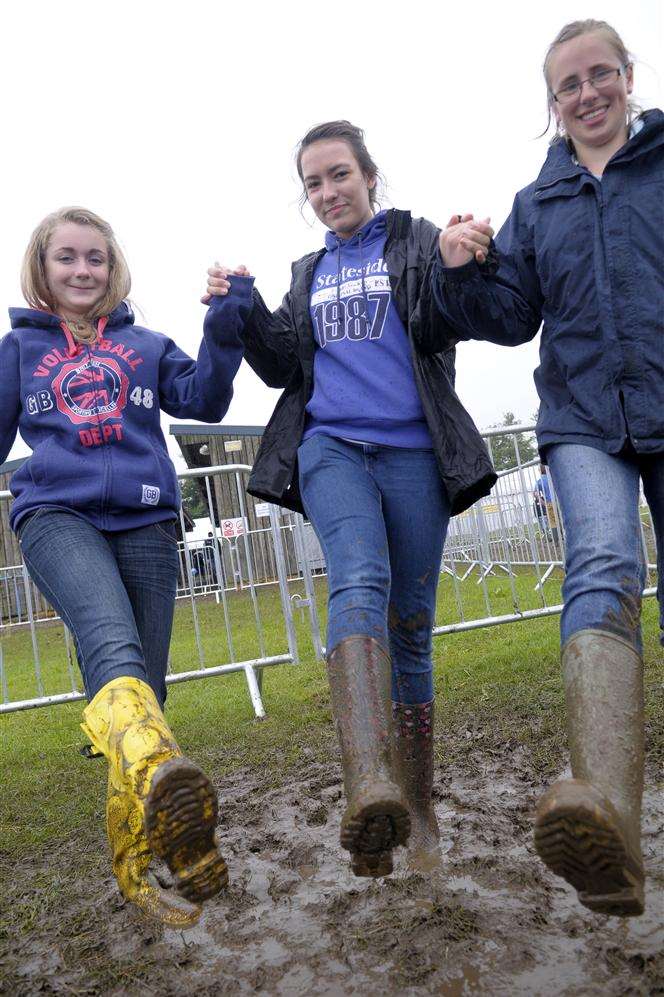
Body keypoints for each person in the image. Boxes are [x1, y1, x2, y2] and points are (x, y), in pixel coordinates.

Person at [207, 121, 496, 876]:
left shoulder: (414, 240)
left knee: (411, 625)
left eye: (339, 174)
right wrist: (241, 307)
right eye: (313, 182)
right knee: (358, 579)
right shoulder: (307, 271)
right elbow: (280, 367)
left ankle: (419, 801)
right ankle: (368, 783)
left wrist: (461, 264)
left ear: (369, 175)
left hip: (413, 451)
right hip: (330, 446)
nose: (328, 192)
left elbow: (441, 321)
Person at [434, 20, 663, 916]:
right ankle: (605, 810)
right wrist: (462, 269)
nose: (587, 94)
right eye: (568, 85)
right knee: (602, 560)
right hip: (583, 419)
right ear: (553, 103)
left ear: (627, 76)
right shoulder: (540, 201)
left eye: (600, 74)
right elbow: (512, 314)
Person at [0, 207, 253, 926]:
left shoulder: (145, 345)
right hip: (58, 517)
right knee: (113, 648)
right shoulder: (17, 351)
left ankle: (146, 855)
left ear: (114, 268)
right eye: (67, 259)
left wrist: (226, 318)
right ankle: (154, 843)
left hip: (144, 518)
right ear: (41, 270)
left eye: (96, 259)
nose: (83, 271)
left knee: (146, 693)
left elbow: (205, 396)